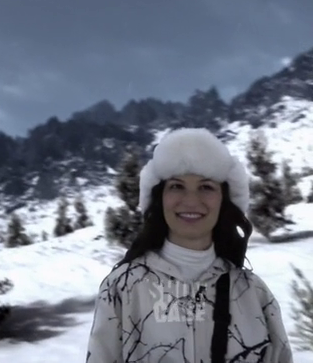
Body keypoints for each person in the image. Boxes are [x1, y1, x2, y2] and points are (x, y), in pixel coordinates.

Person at [86, 128, 293, 363]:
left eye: (206, 187)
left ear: (224, 199)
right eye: (177, 186)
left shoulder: (253, 292)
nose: (191, 201)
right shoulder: (123, 287)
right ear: (160, 197)